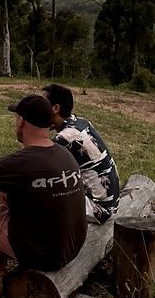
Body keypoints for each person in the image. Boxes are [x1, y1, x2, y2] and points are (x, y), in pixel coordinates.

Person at [0, 94, 87, 296]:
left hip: (41, 255)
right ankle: (1, 253)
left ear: (21, 122)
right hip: (70, 249)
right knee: (5, 191)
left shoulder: (18, 162)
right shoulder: (63, 154)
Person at [42, 83, 120, 225]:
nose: (38, 108)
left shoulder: (66, 138)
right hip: (111, 202)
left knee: (41, 192)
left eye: (42, 104)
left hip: (98, 209)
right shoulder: (81, 123)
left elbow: (36, 163)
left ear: (55, 108)